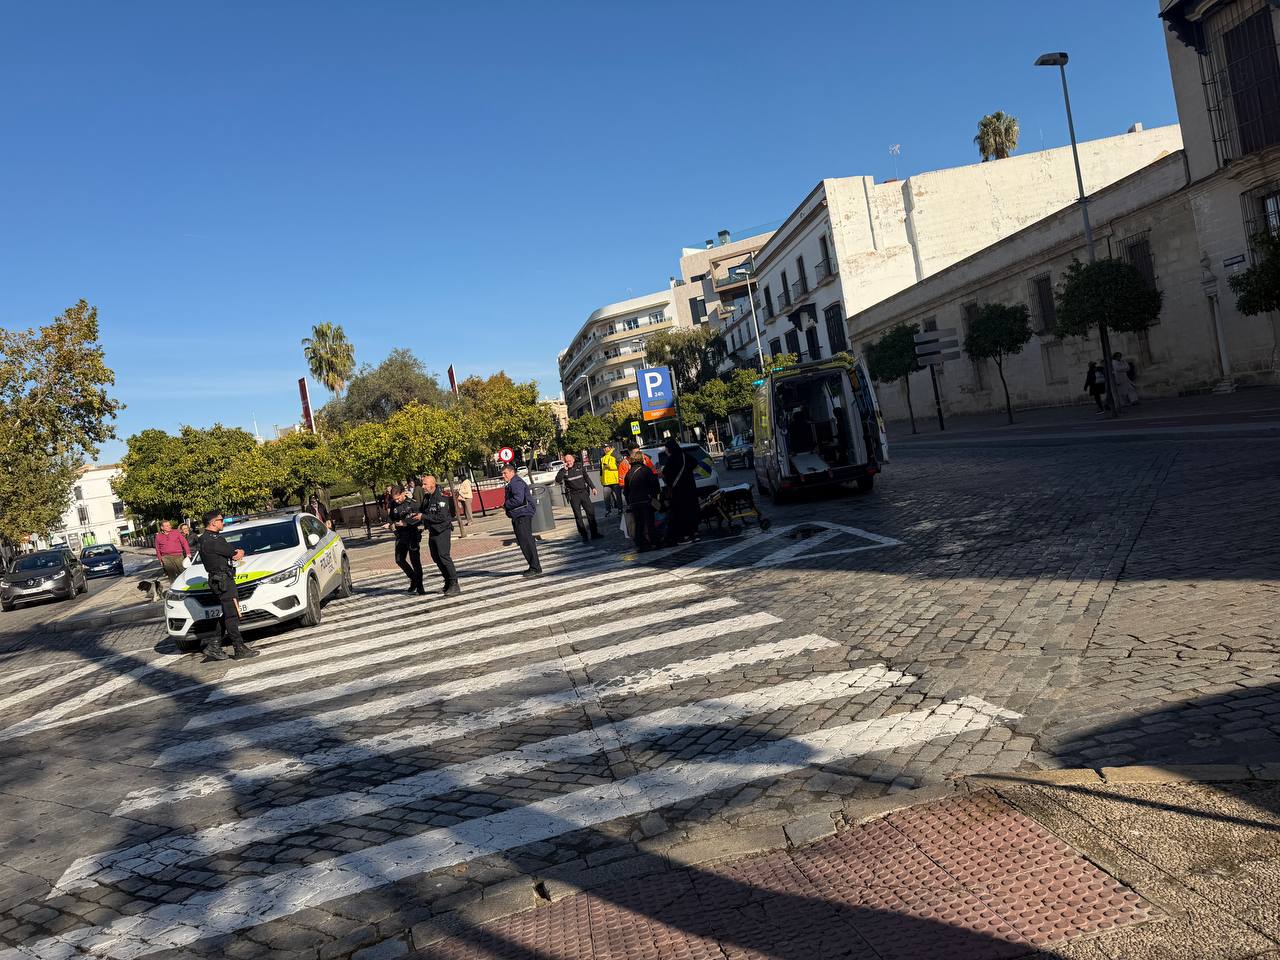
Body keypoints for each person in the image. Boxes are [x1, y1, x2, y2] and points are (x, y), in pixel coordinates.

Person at [196, 511, 258, 661]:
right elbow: (234, 553)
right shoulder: (215, 540)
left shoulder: (203, 539)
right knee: (232, 615)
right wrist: (241, 551)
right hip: (224, 580)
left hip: (217, 579)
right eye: (221, 520)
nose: (223, 523)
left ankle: (214, 645)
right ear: (212, 523)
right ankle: (239, 648)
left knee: (228, 612)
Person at [418, 474, 460, 596]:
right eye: (423, 484)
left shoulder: (441, 498)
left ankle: (454, 584)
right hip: (433, 531)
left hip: (442, 530)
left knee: (444, 556)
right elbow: (422, 512)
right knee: (436, 557)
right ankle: (447, 582)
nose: (423, 486)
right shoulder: (427, 498)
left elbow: (442, 517)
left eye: (425, 484)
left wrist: (424, 517)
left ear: (432, 484)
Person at [501, 464, 542, 576]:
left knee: (526, 541)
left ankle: (535, 566)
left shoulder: (516, 483)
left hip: (522, 515)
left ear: (512, 472)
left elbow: (518, 499)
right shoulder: (512, 483)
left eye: (505, 473)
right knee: (524, 541)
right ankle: (533, 565)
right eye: (502, 473)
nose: (503, 476)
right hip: (519, 515)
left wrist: (506, 505)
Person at [384, 485, 425, 595]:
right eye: (394, 499)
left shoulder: (411, 503)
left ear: (403, 493)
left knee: (415, 561)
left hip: (412, 534)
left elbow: (419, 519)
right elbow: (390, 517)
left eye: (398, 498)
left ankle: (420, 585)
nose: (397, 501)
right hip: (400, 536)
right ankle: (413, 578)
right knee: (399, 559)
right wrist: (389, 523)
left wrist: (406, 522)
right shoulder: (393, 505)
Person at [555, 453, 603, 544]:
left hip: (584, 493)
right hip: (573, 495)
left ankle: (594, 533)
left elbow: (586, 478)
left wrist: (593, 487)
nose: (569, 463)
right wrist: (564, 470)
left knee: (590, 513)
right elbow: (557, 480)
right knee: (578, 516)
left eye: (570, 461)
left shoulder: (579, 467)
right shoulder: (563, 471)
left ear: (573, 460)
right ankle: (584, 535)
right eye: (566, 461)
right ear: (564, 462)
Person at [660, 438, 700, 546]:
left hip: (678, 491)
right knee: (692, 510)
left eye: (666, 449)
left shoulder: (671, 460)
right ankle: (695, 533)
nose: (666, 451)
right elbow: (695, 464)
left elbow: (666, 475)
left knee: (681, 513)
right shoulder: (685, 456)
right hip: (690, 488)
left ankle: (686, 536)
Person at [623, 448, 660, 552]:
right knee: (650, 523)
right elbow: (655, 485)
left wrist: (629, 502)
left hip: (634, 502)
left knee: (639, 523)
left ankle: (641, 543)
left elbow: (626, 490)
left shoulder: (629, 473)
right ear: (641, 459)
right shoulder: (645, 470)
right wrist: (654, 496)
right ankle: (654, 542)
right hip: (645, 500)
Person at [154, 520, 191, 584]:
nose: (169, 526)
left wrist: (188, 553)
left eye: (169, 525)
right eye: (167, 526)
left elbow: (184, 542)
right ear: (162, 528)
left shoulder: (176, 532)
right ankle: (174, 589)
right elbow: (157, 549)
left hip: (178, 556)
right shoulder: (158, 536)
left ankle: (186, 586)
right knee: (171, 576)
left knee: (182, 573)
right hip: (166, 558)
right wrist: (160, 560)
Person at [599, 444, 622, 517]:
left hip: (615, 480)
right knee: (606, 497)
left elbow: (620, 465)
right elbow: (601, 470)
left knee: (618, 496)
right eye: (603, 448)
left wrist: (610, 467)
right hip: (606, 481)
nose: (604, 449)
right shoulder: (602, 457)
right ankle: (608, 511)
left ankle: (620, 509)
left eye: (605, 448)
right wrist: (601, 479)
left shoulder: (615, 454)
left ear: (610, 448)